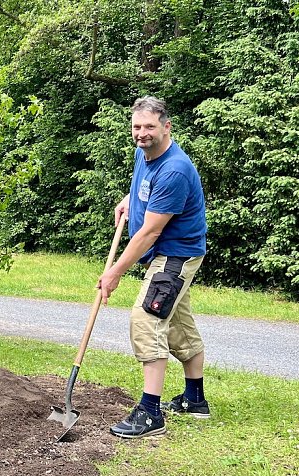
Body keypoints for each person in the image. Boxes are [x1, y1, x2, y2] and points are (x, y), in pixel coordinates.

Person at [97, 96, 209, 439]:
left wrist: (114, 272)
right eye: (137, 126)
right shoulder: (143, 152)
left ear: (166, 126)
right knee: (177, 323)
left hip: (174, 254)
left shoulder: (175, 169)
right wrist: (130, 199)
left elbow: (150, 232)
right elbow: (145, 185)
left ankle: (150, 413)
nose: (141, 133)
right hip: (167, 251)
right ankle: (195, 400)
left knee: (146, 318)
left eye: (149, 126)